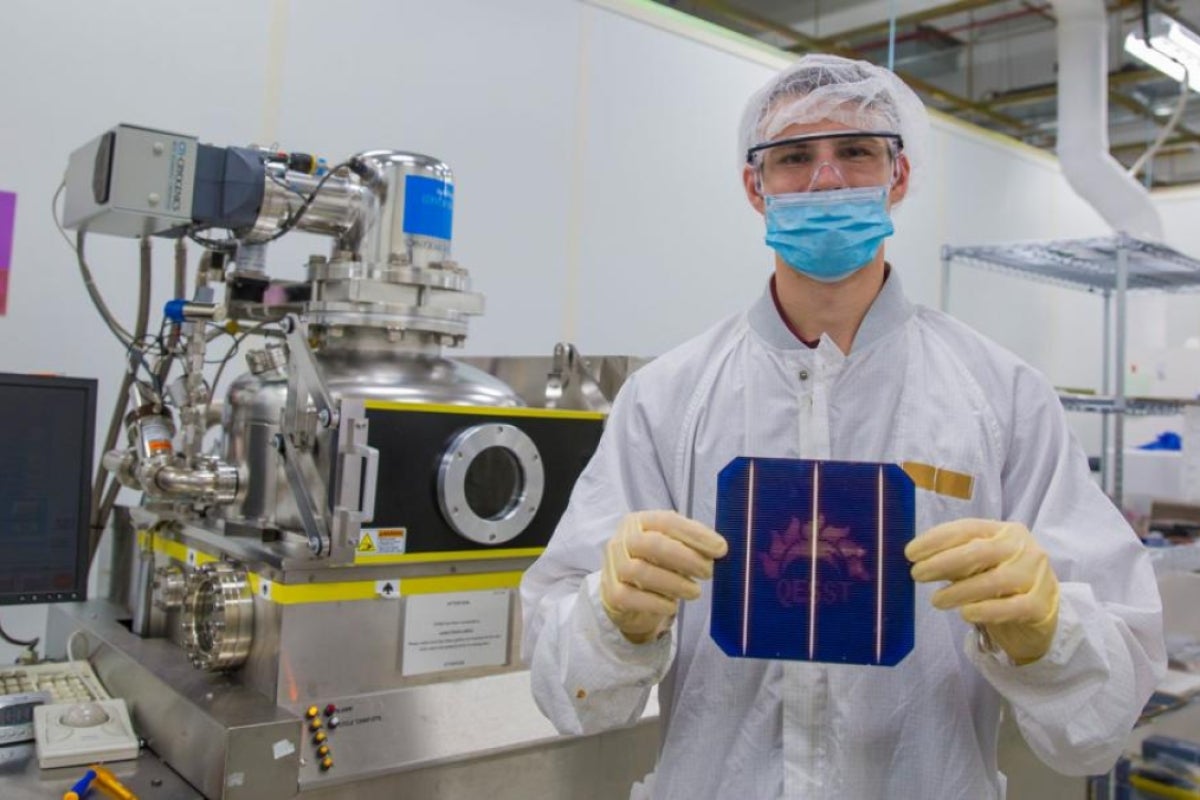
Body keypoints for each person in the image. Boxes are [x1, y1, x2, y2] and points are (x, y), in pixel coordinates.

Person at [519, 53, 1165, 799]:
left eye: (855, 151)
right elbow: (567, 693)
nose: (825, 179)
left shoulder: (1003, 397)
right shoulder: (665, 400)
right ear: (754, 186)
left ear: (899, 176)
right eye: (794, 157)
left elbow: (1100, 724)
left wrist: (1048, 637)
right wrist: (613, 619)